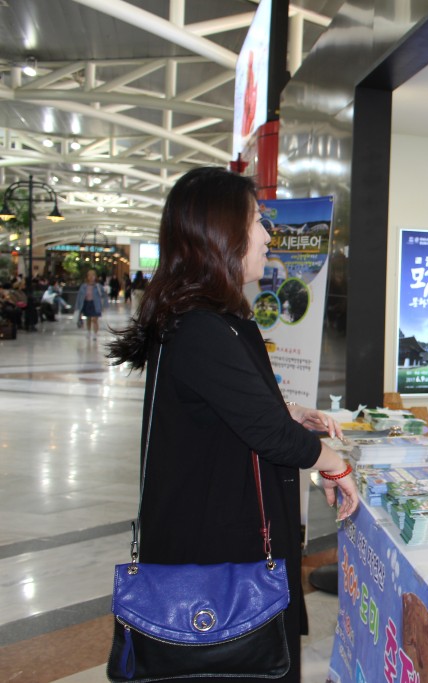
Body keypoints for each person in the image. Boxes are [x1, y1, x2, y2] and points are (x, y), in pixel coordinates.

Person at [107, 166, 358, 683]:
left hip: (222, 533)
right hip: (217, 555)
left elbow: (233, 407)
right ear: (222, 234)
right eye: (258, 222)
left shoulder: (213, 318)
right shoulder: (201, 326)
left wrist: (287, 410)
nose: (269, 235)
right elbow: (263, 433)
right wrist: (332, 465)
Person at [75, 269, 108, 339]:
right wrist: (77, 306)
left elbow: (104, 295)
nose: (91, 277)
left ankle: (95, 334)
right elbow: (79, 297)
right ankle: (88, 331)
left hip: (95, 304)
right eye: (89, 275)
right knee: (88, 319)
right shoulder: (83, 286)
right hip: (87, 303)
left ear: (95, 277)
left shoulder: (98, 286)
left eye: (93, 275)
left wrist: (105, 305)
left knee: (95, 319)